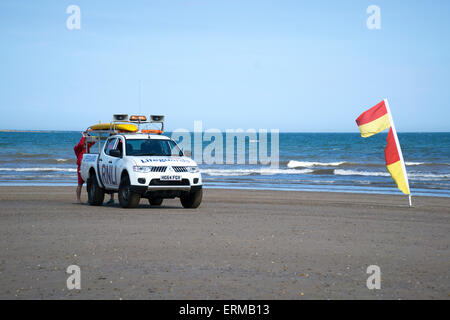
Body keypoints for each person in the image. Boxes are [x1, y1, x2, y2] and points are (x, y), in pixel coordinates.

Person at [74, 132, 114, 204]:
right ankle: (78, 199)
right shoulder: (77, 148)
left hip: (86, 166)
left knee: (89, 184)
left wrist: (89, 136)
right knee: (80, 184)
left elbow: (93, 142)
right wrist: (83, 136)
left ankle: (90, 198)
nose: (85, 143)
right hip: (80, 167)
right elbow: (80, 144)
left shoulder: (87, 146)